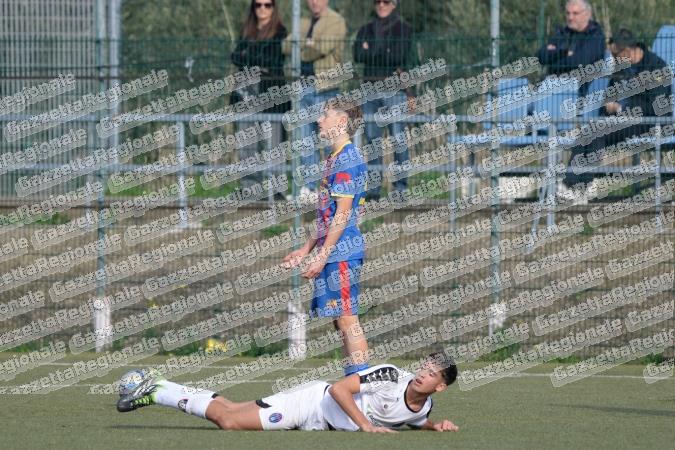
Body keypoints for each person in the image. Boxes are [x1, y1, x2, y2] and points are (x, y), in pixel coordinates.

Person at [116, 353, 460, 433]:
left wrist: (435, 426)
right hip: (311, 403)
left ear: (440, 386)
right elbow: (339, 389)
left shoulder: (423, 407)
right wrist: (366, 427)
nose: (422, 374)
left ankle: (160, 385)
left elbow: (409, 417)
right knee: (229, 420)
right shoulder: (391, 375)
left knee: (230, 411)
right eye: (424, 366)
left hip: (319, 424)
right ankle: (157, 389)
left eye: (431, 373)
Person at [281, 98, 370, 377]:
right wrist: (306, 249)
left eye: (325, 115)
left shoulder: (347, 159)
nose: (319, 120)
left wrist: (322, 256)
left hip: (342, 252)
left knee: (347, 320)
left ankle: (362, 386)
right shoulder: (334, 157)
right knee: (340, 322)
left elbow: (342, 215)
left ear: (342, 121)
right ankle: (353, 382)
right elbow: (328, 215)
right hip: (334, 250)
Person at [566, 28, 674, 195]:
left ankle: (580, 187)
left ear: (628, 50)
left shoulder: (656, 67)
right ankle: (572, 185)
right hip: (623, 122)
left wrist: (622, 109)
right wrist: (608, 108)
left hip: (650, 123)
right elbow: (609, 97)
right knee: (588, 133)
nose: (614, 59)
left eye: (616, 55)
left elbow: (657, 107)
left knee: (598, 131)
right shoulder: (621, 66)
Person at [282, 0, 347, 195]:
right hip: (302, 87)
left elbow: (321, 49)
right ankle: (309, 189)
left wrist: (300, 47)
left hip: (325, 88)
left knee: (329, 141)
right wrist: (307, 43)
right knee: (305, 141)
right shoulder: (302, 22)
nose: (314, 2)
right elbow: (285, 46)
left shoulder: (336, 21)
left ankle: (331, 189)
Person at [353, 0, 413, 200]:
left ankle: (400, 188)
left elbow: (398, 57)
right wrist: (384, 50)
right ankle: (374, 189)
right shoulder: (365, 28)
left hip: (394, 90)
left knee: (398, 139)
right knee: (372, 140)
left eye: (386, 1)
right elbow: (357, 55)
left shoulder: (403, 29)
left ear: (394, 4)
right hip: (370, 90)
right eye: (377, 1)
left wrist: (370, 50)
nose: (381, 5)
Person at [231, 0, 288, 199]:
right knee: (247, 142)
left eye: (267, 5)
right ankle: (249, 188)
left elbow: (273, 59)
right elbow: (235, 56)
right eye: (258, 5)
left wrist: (249, 55)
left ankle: (277, 190)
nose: (262, 9)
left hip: (271, 91)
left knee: (274, 142)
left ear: (273, 8)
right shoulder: (246, 31)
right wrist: (256, 57)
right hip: (246, 91)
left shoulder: (281, 32)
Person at [536, 0, 605, 97]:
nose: (570, 17)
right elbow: (541, 56)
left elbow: (579, 62)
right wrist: (563, 52)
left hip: (582, 92)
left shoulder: (596, 36)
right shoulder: (563, 33)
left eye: (575, 13)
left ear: (587, 14)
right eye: (568, 13)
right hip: (553, 87)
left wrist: (553, 61)